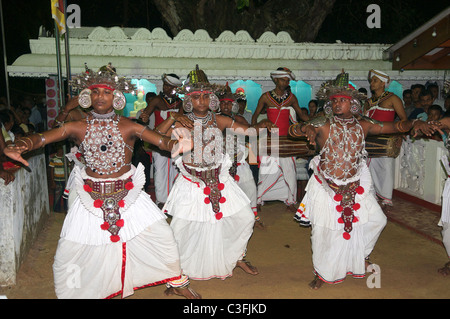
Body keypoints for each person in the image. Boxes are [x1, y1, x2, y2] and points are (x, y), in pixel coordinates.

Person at [4, 66, 199, 299]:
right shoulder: (78, 125)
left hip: (128, 194)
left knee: (161, 235)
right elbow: (45, 137)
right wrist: (23, 144)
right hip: (90, 196)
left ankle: (176, 280)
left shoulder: (130, 125)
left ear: (116, 98)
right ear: (87, 97)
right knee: (72, 249)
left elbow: (163, 143)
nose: (100, 97)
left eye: (106, 93)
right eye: (95, 92)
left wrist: (183, 142)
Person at [289, 70, 434, 289]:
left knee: (378, 220)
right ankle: (322, 272)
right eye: (334, 100)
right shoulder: (322, 123)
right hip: (328, 186)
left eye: (343, 100)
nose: (337, 104)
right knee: (324, 233)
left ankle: (360, 254)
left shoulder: (363, 124)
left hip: (356, 185)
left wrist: (413, 123)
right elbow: (293, 130)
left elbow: (394, 126)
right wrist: (304, 127)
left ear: (353, 104)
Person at [155, 66, 275, 283]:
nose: (201, 101)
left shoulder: (218, 120)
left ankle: (236, 256)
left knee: (245, 217)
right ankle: (175, 274)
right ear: (188, 100)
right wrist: (173, 118)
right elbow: (155, 137)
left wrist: (261, 126)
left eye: (205, 96)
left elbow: (245, 131)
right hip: (191, 182)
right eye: (196, 97)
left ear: (212, 100)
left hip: (219, 179)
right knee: (181, 229)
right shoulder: (182, 120)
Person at [252, 67, 309, 213]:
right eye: (283, 79)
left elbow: (302, 116)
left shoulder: (291, 98)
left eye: (287, 80)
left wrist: (315, 124)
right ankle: (259, 199)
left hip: (287, 140)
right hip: (271, 140)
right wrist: (253, 130)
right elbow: (255, 115)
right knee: (266, 170)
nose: (286, 82)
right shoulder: (265, 97)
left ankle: (290, 200)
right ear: (276, 80)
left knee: (289, 170)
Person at [218, 90, 264, 229]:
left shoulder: (239, 120)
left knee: (250, 187)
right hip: (222, 164)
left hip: (240, 161)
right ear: (219, 105)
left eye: (229, 103)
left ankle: (253, 217)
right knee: (224, 192)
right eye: (223, 103)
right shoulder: (215, 119)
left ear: (233, 106)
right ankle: (224, 220)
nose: (226, 106)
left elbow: (251, 133)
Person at [139, 73, 183, 208]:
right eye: (165, 85)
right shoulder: (157, 100)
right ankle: (161, 200)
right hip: (158, 139)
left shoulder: (180, 102)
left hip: (175, 140)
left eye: (170, 86)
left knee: (175, 169)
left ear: (175, 88)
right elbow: (144, 117)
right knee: (160, 170)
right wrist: (144, 118)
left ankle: (173, 199)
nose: (166, 88)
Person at [365, 69, 406, 209]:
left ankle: (386, 198)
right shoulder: (368, 102)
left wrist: (399, 135)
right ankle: (371, 194)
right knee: (369, 167)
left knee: (386, 169)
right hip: (370, 140)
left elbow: (404, 120)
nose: (372, 83)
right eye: (371, 80)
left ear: (383, 83)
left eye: (375, 80)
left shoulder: (393, 98)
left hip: (386, 140)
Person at [49, 143, 68, 213]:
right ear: (57, 151)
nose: (61, 152)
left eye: (62, 150)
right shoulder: (54, 159)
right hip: (57, 179)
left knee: (66, 195)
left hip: (65, 179)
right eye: (60, 150)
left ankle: (66, 209)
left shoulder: (65, 158)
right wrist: (52, 181)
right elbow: (51, 170)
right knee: (57, 196)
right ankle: (57, 210)